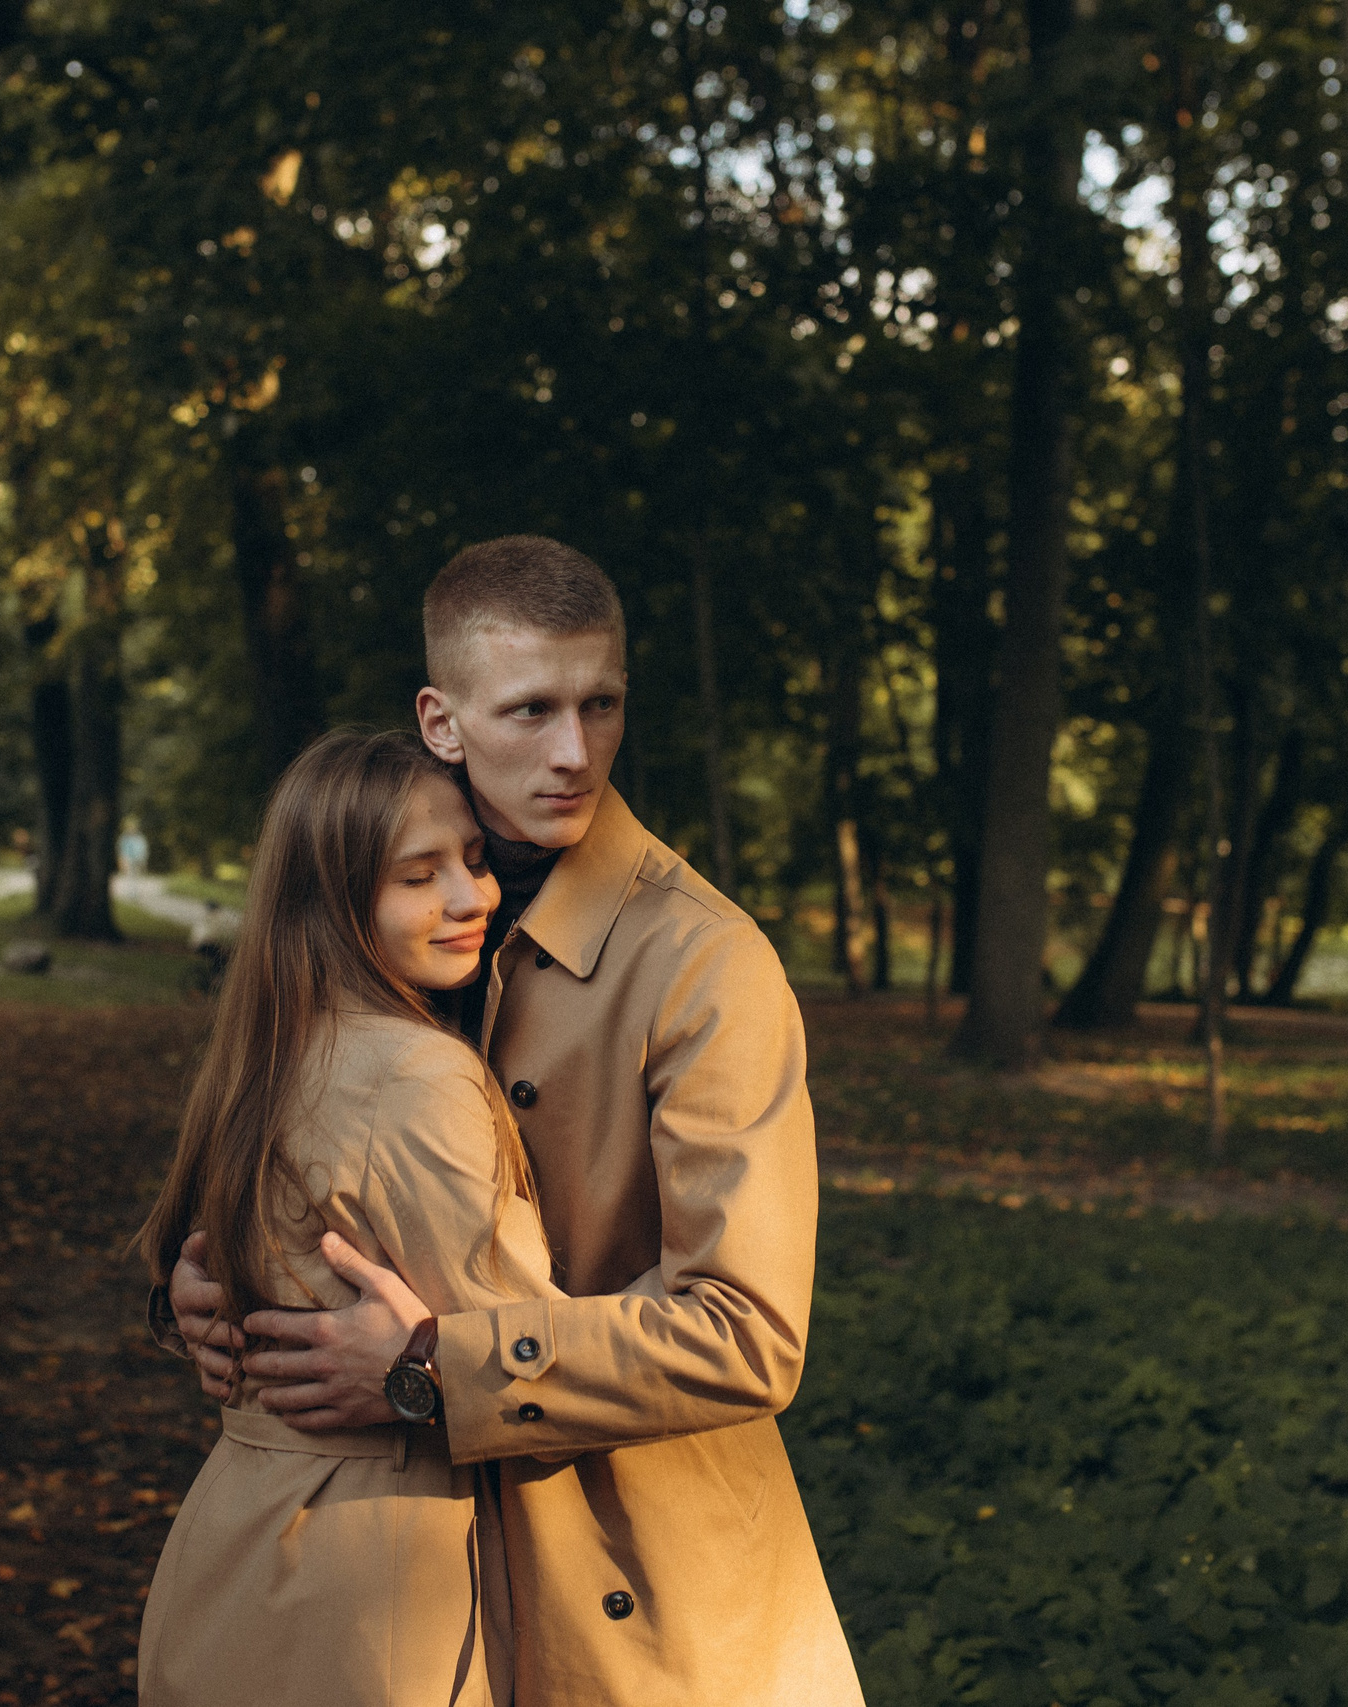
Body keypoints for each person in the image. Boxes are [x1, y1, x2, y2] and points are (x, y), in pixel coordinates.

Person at [169, 537, 864, 1703]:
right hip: (418, 1572)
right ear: (442, 722)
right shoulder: (388, 908)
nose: (573, 751)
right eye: (532, 709)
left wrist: (438, 1366)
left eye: (602, 705)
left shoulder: (705, 964)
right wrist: (222, 1285)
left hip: (636, 1576)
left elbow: (748, 1331)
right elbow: (306, 1148)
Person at [133, 728, 559, 1707]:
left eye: (476, 859)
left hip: (230, 1551)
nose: (471, 898)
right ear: (332, 900)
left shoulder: (269, 1049)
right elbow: (536, 1366)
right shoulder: (414, 1074)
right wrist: (423, 1370)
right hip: (366, 1589)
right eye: (420, 875)